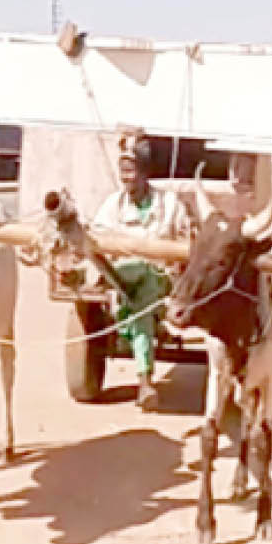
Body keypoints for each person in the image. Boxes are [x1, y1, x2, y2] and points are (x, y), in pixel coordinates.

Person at [92, 137, 190, 410]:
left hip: (161, 279)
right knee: (139, 296)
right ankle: (145, 380)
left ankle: (145, 379)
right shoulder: (113, 205)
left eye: (132, 170)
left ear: (145, 172)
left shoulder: (169, 204)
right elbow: (97, 236)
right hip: (121, 279)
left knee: (146, 285)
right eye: (122, 170)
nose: (127, 177)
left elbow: (186, 241)